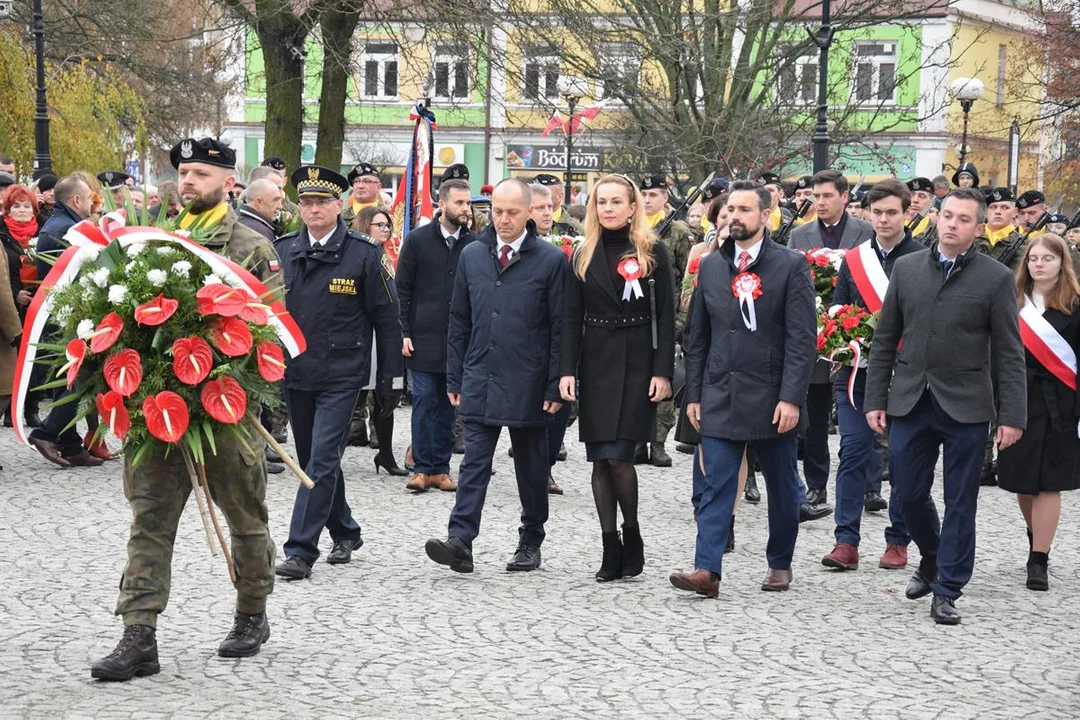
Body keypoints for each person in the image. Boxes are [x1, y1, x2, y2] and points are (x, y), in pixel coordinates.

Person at [90, 137, 283, 682]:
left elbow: (269, 327)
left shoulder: (248, 246)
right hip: (158, 409)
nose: (189, 181)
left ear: (228, 182)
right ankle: (138, 633)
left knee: (245, 516)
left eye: (201, 173)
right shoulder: (154, 242)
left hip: (225, 410)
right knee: (149, 518)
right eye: (184, 172)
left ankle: (252, 612)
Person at [864, 187, 1027, 625]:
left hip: (967, 406)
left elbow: (1010, 353)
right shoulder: (908, 268)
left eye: (963, 219)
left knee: (960, 501)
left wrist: (1011, 416)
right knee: (908, 492)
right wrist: (875, 398)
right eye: (947, 215)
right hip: (911, 400)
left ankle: (948, 587)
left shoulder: (994, 278)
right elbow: (884, 340)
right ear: (936, 218)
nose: (952, 224)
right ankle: (933, 555)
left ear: (978, 227)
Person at [670, 181, 816, 598]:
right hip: (720, 393)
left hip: (772, 398)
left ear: (766, 217)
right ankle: (707, 570)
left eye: (745, 210)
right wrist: (693, 395)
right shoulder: (712, 265)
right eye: (730, 209)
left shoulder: (791, 266)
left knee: (784, 487)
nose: (734, 216)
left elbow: (802, 339)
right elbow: (697, 337)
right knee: (717, 482)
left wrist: (791, 397)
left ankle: (779, 563)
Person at [424, 179, 567, 574]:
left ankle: (530, 539)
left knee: (532, 468)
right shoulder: (473, 255)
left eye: (512, 213)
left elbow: (561, 327)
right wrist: (454, 376)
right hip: (480, 374)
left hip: (530, 381)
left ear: (530, 213)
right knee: (473, 463)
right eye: (496, 212)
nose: (502, 220)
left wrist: (556, 382)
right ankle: (461, 540)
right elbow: (459, 319)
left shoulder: (551, 260)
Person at [272, 165, 402, 583]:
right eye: (306, 202)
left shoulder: (364, 253)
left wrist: (389, 381)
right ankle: (345, 529)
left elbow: (387, 318)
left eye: (321, 202)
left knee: (323, 459)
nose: (313, 210)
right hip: (297, 371)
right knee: (314, 460)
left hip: (343, 374)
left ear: (340, 205)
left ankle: (300, 550)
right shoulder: (284, 249)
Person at [560, 174, 675, 581]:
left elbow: (666, 316)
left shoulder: (652, 250)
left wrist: (663, 372)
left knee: (620, 457)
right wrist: (566, 371)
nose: (608, 208)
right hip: (595, 360)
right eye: (601, 202)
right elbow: (570, 319)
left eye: (615, 202)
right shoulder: (581, 253)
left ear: (632, 207)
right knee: (599, 459)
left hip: (637, 359)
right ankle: (609, 545)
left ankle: (633, 533)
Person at [820, 179, 924, 573]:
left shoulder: (923, 257)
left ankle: (898, 540)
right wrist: (846, 334)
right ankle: (845, 540)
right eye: (876, 212)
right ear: (867, 213)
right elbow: (839, 310)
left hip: (906, 375)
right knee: (853, 452)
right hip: (857, 374)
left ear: (906, 213)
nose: (883, 219)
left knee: (902, 459)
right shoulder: (854, 259)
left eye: (891, 212)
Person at [998, 233, 1080, 591]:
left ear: (1063, 263)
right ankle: (1036, 535)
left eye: (1048, 258)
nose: (1040, 263)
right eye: (1034, 258)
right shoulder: (1011, 303)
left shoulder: (1075, 305)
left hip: (1062, 404)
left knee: (1049, 484)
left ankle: (1039, 559)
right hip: (1019, 401)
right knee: (1023, 482)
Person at [789, 169, 872, 512]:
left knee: (863, 411)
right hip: (815, 334)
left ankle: (868, 487)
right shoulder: (799, 235)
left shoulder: (864, 232)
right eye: (815, 196)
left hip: (859, 331)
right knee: (816, 414)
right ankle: (817, 484)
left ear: (844, 197)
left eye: (826, 196)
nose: (819, 202)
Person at [395, 178, 476, 493]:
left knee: (448, 405)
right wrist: (403, 331)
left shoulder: (475, 244)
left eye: (467, 203)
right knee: (425, 402)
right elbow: (402, 289)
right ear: (441, 204)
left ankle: (441, 468)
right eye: (459, 203)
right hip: (423, 338)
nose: (465, 209)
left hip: (460, 342)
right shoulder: (418, 241)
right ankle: (421, 467)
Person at [346, 205, 409, 477]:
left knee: (387, 393)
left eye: (387, 225)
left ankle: (385, 453)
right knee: (349, 397)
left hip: (383, 334)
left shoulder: (385, 255)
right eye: (379, 225)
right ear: (364, 226)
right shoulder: (356, 255)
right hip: (360, 333)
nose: (386, 230)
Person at [635, 175, 691, 467]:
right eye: (643, 194)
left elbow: (686, 279)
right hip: (636, 314)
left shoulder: (679, 230)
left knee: (664, 376)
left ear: (665, 196)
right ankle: (635, 440)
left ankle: (657, 442)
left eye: (653, 194)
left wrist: (680, 320)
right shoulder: (632, 227)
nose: (647, 200)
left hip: (666, 313)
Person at [528, 181, 572, 494]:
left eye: (549, 207)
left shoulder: (566, 241)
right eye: (540, 208)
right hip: (528, 341)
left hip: (563, 338)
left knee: (560, 407)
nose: (548, 212)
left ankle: (545, 469)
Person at [237, 178, 284, 245]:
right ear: (258, 202)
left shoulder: (238, 219)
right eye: (275, 200)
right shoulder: (260, 232)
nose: (280, 206)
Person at [905, 177, 938, 246]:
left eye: (922, 196)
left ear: (932, 202)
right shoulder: (897, 223)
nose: (915, 200)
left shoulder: (935, 230)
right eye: (911, 195)